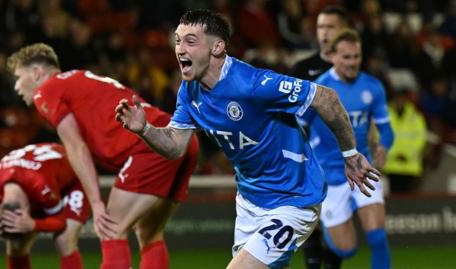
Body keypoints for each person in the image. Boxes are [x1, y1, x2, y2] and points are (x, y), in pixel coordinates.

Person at [115, 9, 380, 269]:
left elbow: (326, 98)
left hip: (293, 199)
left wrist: (350, 155)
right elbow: (175, 146)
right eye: (177, 40)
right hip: (250, 204)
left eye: (190, 41)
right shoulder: (190, 91)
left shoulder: (253, 84)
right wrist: (145, 129)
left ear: (217, 47)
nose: (180, 49)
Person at [6, 44, 200, 269]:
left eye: (18, 78)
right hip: (179, 137)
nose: (17, 87)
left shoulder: (47, 90)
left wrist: (96, 203)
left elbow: (76, 146)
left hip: (149, 143)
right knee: (149, 232)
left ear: (36, 73)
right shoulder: (78, 80)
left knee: (111, 229)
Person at [300, 29, 394, 269]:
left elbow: (387, 130)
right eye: (346, 57)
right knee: (347, 249)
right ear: (332, 57)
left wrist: (383, 146)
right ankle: (324, 238)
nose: (352, 63)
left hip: (363, 168)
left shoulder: (373, 87)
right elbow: (299, 128)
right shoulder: (319, 90)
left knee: (377, 236)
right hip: (330, 177)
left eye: (356, 56)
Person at [291, 6, 350, 269]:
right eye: (320, 27)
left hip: (343, 159)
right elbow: (291, 115)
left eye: (331, 27)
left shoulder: (352, 68)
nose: (324, 33)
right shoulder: (303, 68)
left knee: (338, 220)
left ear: (344, 31)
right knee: (311, 219)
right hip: (311, 157)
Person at [0, 143, 90, 269]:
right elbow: (6, 217)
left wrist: (33, 224)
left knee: (64, 240)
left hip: (75, 177)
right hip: (39, 176)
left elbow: (60, 221)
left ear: (28, 209)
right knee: (16, 246)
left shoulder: (41, 185)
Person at [383, 87, 427, 193]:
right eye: (397, 99)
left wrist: (406, 154)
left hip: (410, 166)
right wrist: (394, 154)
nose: (399, 102)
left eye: (402, 99)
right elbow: (378, 138)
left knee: (410, 202)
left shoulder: (416, 117)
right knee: (391, 200)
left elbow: (420, 140)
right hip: (390, 166)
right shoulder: (384, 116)